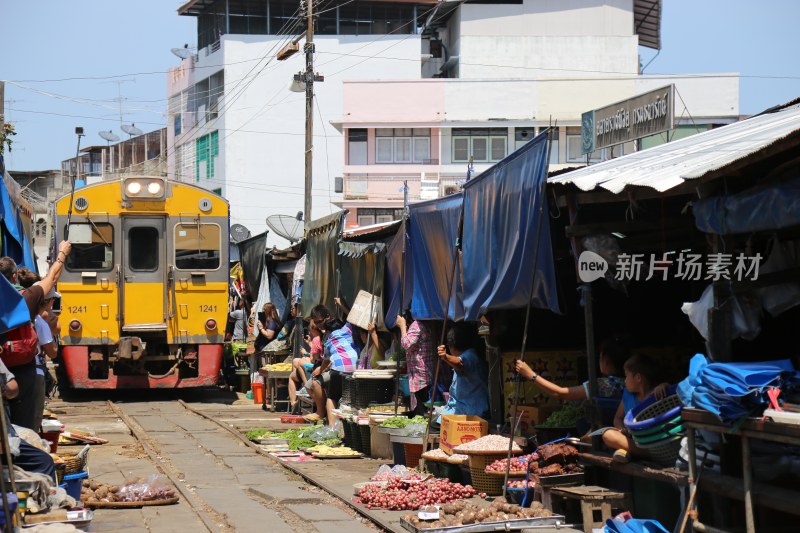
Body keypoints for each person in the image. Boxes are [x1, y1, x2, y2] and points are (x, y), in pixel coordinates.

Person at [0, 240, 71, 431]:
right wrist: (62, 253)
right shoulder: (26, 298)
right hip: (26, 371)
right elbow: (52, 277)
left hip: (2, 372)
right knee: (27, 431)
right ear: (14, 276)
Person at [602, 354, 669, 463]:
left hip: (654, 445)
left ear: (638, 378)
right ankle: (631, 452)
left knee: (622, 449)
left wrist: (665, 386)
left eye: (627, 376)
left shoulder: (657, 394)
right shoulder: (628, 395)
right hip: (634, 442)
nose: (625, 380)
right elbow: (617, 418)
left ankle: (630, 453)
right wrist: (621, 428)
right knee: (608, 434)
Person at [514, 337, 629, 401]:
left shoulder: (600, 385)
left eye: (600, 357)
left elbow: (559, 393)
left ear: (606, 361)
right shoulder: (629, 384)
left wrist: (530, 374)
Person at [16, 268, 58, 433]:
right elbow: (52, 352)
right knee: (30, 424)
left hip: (13, 371)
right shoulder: (39, 321)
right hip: (34, 372)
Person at [306, 321, 366, 426]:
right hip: (355, 369)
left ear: (329, 331)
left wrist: (320, 370)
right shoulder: (347, 332)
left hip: (338, 369)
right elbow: (351, 320)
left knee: (331, 398)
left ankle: (332, 427)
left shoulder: (329, 341)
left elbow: (326, 360)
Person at [436, 323, 490, 422]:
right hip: (461, 411)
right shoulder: (471, 355)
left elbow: (460, 363)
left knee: (434, 426)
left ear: (451, 346)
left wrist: (445, 356)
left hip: (470, 413)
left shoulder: (470, 356)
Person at [396, 315, 435, 415]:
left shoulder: (416, 325)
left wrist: (402, 326)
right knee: (423, 409)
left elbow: (406, 344)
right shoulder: (426, 325)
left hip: (420, 376)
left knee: (421, 411)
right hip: (424, 374)